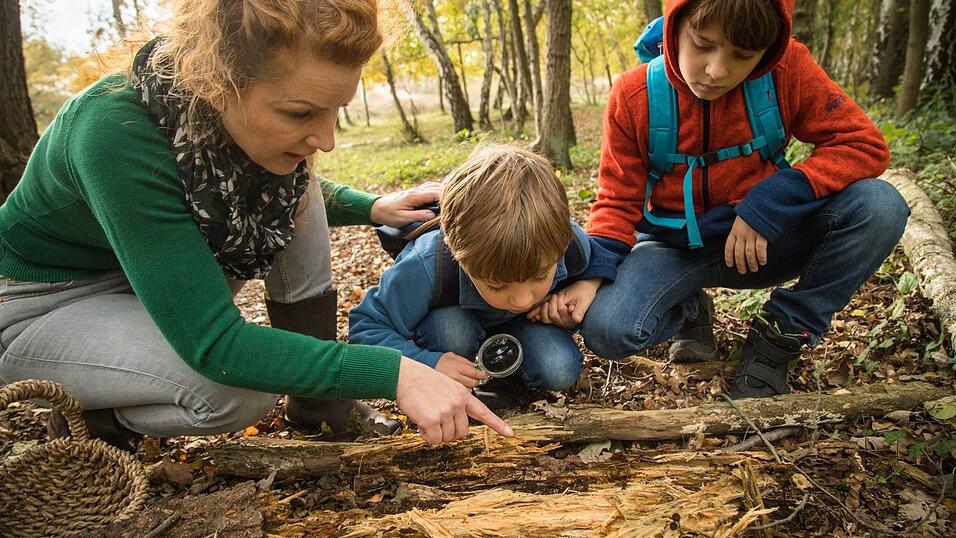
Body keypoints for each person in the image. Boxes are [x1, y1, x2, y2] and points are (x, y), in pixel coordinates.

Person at [0, 0, 512, 448]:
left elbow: (261, 191)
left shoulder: (224, 120)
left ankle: (316, 409)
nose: (326, 138)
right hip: (39, 305)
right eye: (300, 113)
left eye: (336, 111)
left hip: (147, 276)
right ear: (217, 81)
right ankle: (99, 419)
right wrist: (395, 373)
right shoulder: (113, 132)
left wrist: (371, 207)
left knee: (299, 182)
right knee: (235, 391)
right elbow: (216, 345)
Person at [562, 0, 909, 398]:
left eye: (743, 55)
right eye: (702, 44)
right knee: (608, 331)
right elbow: (617, 199)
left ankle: (782, 333)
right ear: (676, 25)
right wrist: (594, 273)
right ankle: (690, 308)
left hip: (764, 242)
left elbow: (863, 144)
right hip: (672, 248)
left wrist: (769, 202)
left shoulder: (787, 70)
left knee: (879, 206)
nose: (717, 71)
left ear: (768, 49)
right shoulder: (634, 94)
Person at [348, 145, 616, 404]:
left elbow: (600, 255)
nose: (523, 300)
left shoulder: (563, 240)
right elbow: (367, 326)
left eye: (539, 277)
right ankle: (453, 383)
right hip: (454, 322)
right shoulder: (429, 264)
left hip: (521, 327)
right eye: (497, 286)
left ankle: (502, 385)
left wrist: (587, 285)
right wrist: (429, 363)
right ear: (458, 255)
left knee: (559, 369)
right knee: (451, 330)